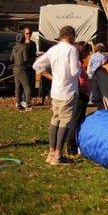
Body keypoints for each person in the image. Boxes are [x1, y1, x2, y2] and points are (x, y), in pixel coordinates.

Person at [33, 25, 81, 165]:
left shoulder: (53, 49)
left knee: (55, 120)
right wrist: (80, 67)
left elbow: (37, 65)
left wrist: (52, 76)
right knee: (65, 122)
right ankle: (59, 155)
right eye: (74, 37)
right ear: (70, 36)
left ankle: (51, 153)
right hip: (69, 91)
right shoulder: (72, 50)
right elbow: (74, 72)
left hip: (56, 91)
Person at [66, 44, 91, 155]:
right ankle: (71, 147)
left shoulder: (80, 64)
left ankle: (75, 144)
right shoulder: (78, 64)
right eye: (87, 52)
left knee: (79, 120)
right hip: (80, 95)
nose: (88, 54)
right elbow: (78, 80)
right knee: (75, 121)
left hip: (84, 94)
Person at [11, 33, 32, 110]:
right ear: (23, 39)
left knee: (17, 88)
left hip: (15, 69)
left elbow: (11, 59)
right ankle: (28, 104)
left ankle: (18, 104)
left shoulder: (14, 47)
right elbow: (25, 59)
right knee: (27, 87)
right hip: (22, 69)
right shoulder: (24, 47)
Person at [22, 27, 37, 100]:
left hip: (31, 66)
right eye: (27, 33)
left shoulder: (33, 43)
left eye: (30, 33)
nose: (28, 35)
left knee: (31, 84)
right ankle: (23, 100)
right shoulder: (22, 44)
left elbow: (33, 55)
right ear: (24, 34)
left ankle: (28, 100)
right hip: (24, 67)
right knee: (25, 84)